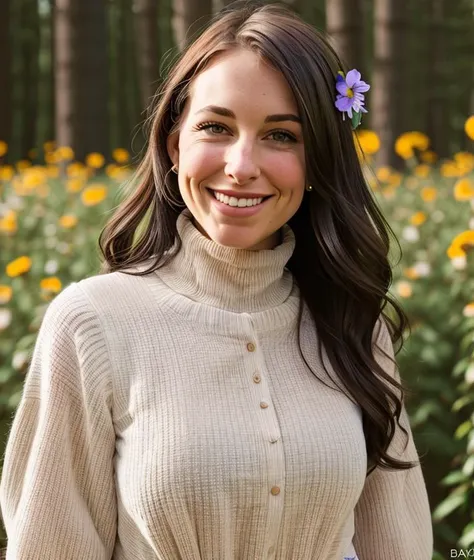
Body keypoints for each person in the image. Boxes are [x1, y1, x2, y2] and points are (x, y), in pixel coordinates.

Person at [0, 1, 433, 559]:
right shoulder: (92, 325)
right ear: (175, 143)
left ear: (319, 160)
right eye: (216, 127)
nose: (241, 164)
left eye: (281, 136)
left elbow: (399, 543)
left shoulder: (353, 323)